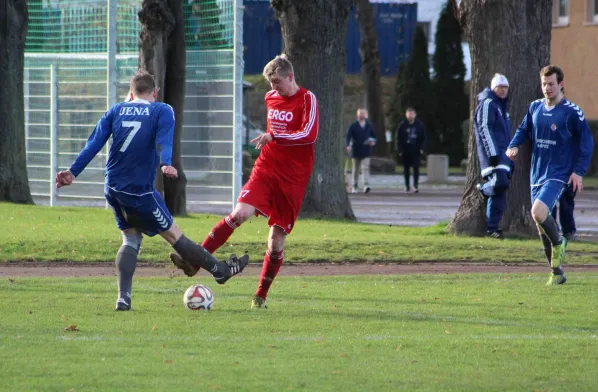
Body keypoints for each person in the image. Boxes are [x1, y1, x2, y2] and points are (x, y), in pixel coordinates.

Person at [55, 71, 248, 311]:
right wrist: (166, 162)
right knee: (174, 236)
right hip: (140, 193)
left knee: (131, 237)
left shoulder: (115, 110)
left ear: (132, 92)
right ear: (154, 92)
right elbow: (164, 139)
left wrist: (72, 172)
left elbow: (94, 143)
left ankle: (123, 298)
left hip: (112, 188)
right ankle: (219, 271)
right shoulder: (162, 110)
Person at [170, 55, 319, 309]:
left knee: (275, 242)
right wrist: (272, 139)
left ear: (290, 76)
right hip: (267, 167)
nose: (274, 89)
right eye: (271, 84)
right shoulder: (271, 98)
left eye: (278, 83)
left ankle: (260, 296)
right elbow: (275, 134)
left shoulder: (307, 99)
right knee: (240, 213)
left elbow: (309, 134)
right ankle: (195, 262)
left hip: (293, 178)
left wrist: (274, 135)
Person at [507, 65, 593, 285]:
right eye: (544, 84)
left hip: (559, 173)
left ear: (561, 84)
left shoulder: (572, 112)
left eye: (551, 84)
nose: (547, 88)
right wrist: (514, 145)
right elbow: (523, 130)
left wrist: (578, 172)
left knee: (537, 212)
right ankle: (556, 273)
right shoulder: (534, 107)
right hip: (537, 172)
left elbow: (586, 144)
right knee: (541, 226)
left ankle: (560, 243)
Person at [474, 73, 513, 239]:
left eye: (505, 88)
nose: (503, 90)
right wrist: (493, 154)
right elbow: (485, 129)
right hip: (493, 156)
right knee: (499, 183)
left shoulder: (502, 108)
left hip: (504, 156)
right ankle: (482, 189)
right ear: (493, 88)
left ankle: (492, 228)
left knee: (500, 190)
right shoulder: (488, 103)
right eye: (500, 87)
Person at [345, 108, 376, 193]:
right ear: (357, 114)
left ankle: (366, 185)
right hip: (355, 150)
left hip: (366, 150)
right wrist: (348, 145)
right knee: (355, 169)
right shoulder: (353, 125)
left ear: (365, 114)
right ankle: (355, 185)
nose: (361, 115)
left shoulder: (369, 125)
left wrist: (373, 141)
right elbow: (348, 136)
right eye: (360, 113)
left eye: (363, 113)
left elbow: (374, 136)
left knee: (365, 168)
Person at [396, 107, 426, 193]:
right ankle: (407, 185)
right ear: (406, 114)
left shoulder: (419, 125)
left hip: (416, 150)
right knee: (406, 169)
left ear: (415, 114)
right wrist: (399, 150)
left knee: (416, 168)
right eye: (409, 114)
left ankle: (415, 185)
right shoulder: (402, 125)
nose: (410, 116)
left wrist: (422, 148)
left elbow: (423, 137)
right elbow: (398, 138)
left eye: (412, 114)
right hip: (405, 151)